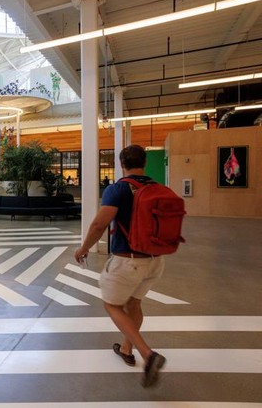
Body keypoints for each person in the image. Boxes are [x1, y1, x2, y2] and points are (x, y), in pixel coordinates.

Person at [74, 145, 166, 388]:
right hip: (156, 261)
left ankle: (148, 355)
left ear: (122, 163)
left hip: (128, 260)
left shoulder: (119, 188)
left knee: (112, 304)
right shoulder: (158, 188)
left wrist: (84, 248)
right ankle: (127, 348)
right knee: (134, 303)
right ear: (144, 162)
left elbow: (98, 225)